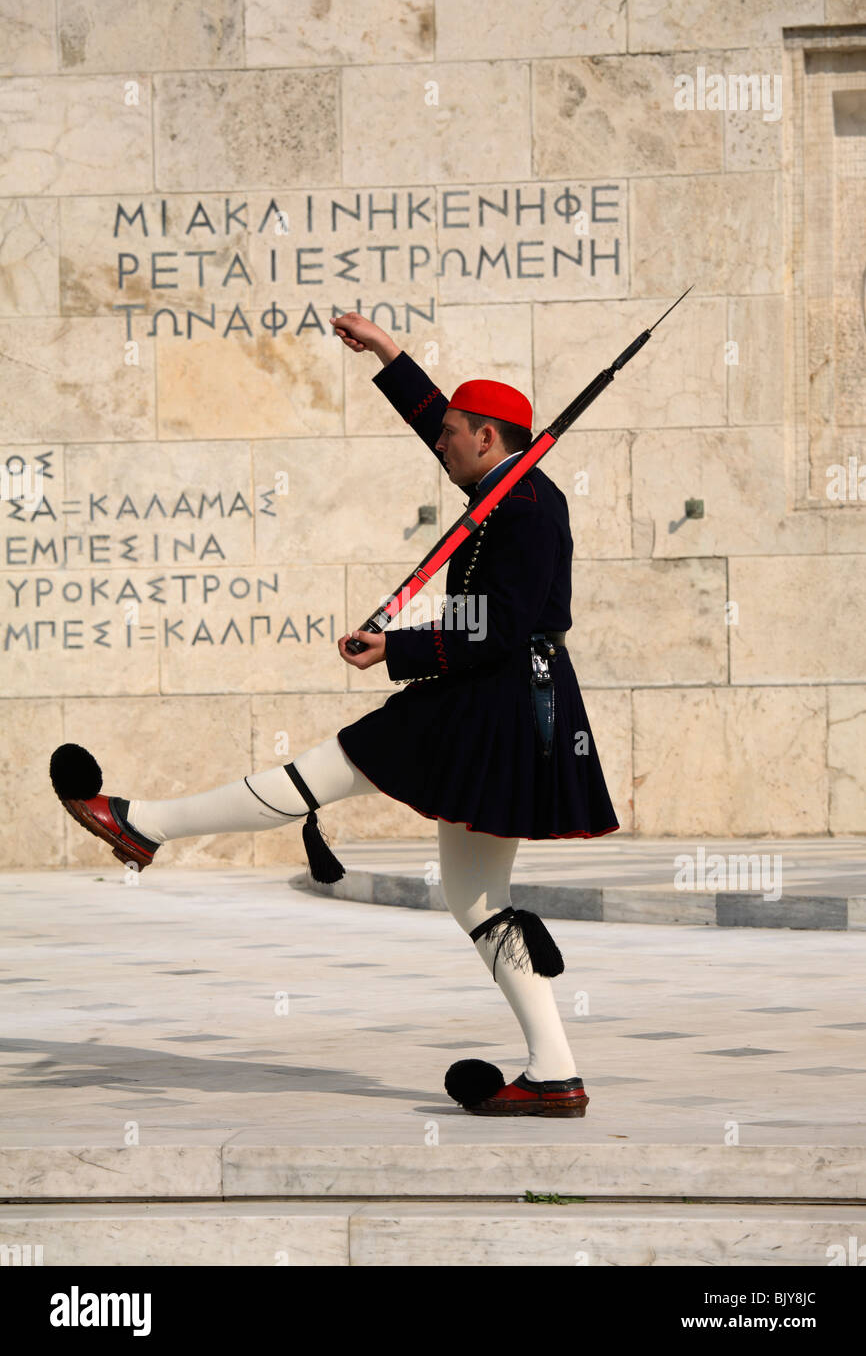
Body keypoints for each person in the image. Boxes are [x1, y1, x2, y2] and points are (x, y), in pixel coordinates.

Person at [49, 312, 620, 1119]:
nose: (443, 445)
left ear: (490, 438)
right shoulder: (502, 482)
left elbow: (501, 622)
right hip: (507, 703)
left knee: (328, 766)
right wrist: (389, 355)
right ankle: (555, 1071)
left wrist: (399, 648)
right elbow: (438, 423)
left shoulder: (526, 509)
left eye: (456, 435)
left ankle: (143, 824)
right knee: (478, 901)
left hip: (493, 702)